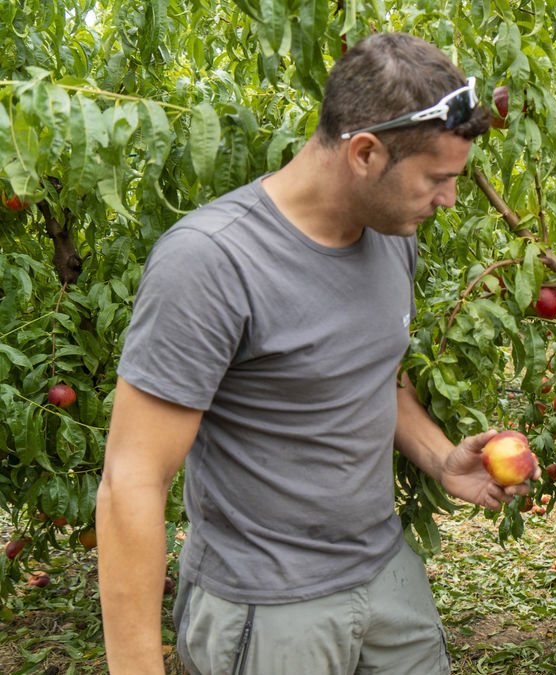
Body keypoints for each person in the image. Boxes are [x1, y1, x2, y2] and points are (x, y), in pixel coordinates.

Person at [96, 33, 528, 675]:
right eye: (437, 178)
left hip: (384, 574)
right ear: (364, 153)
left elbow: (372, 373)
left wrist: (441, 459)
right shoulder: (212, 263)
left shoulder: (391, 236)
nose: (449, 200)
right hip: (267, 609)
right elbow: (131, 481)